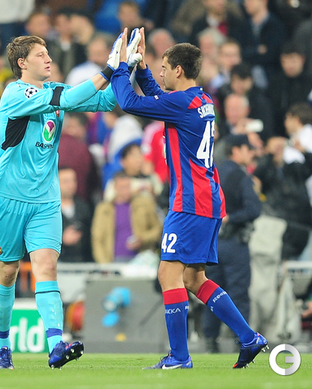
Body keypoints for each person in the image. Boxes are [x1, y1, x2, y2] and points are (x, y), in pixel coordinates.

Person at [111, 27, 268, 369]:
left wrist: (121, 68)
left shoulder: (181, 103)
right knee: (194, 279)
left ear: (179, 70)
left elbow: (129, 102)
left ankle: (180, 356)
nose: (161, 73)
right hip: (209, 199)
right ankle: (249, 338)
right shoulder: (201, 100)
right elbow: (160, 96)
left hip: (190, 201)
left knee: (168, 275)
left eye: (164, 68)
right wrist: (143, 69)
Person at [0, 34, 118, 370]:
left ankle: (56, 345)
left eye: (48, 53)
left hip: (45, 199)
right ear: (22, 63)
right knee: (7, 272)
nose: (48, 59)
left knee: (46, 267)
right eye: (40, 54)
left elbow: (105, 102)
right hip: (7, 196)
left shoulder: (56, 90)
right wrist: (108, 69)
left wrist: (128, 71)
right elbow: (71, 97)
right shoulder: (14, 93)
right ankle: (2, 346)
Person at [203, 134, 261, 353]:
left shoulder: (212, 173)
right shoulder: (241, 176)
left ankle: (210, 341)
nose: (251, 153)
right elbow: (254, 209)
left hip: (211, 244)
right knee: (238, 293)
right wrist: (231, 217)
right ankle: (243, 341)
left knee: (211, 292)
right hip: (235, 242)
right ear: (236, 150)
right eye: (248, 149)